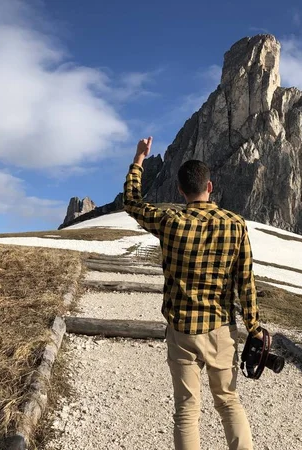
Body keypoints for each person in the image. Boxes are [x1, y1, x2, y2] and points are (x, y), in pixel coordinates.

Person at [123, 136, 263, 450]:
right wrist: (254, 327)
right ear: (209, 187)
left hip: (181, 329)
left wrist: (139, 159)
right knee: (228, 402)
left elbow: (132, 203)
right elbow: (246, 282)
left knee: (186, 410)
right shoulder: (235, 225)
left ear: (180, 191)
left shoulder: (169, 221)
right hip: (219, 329)